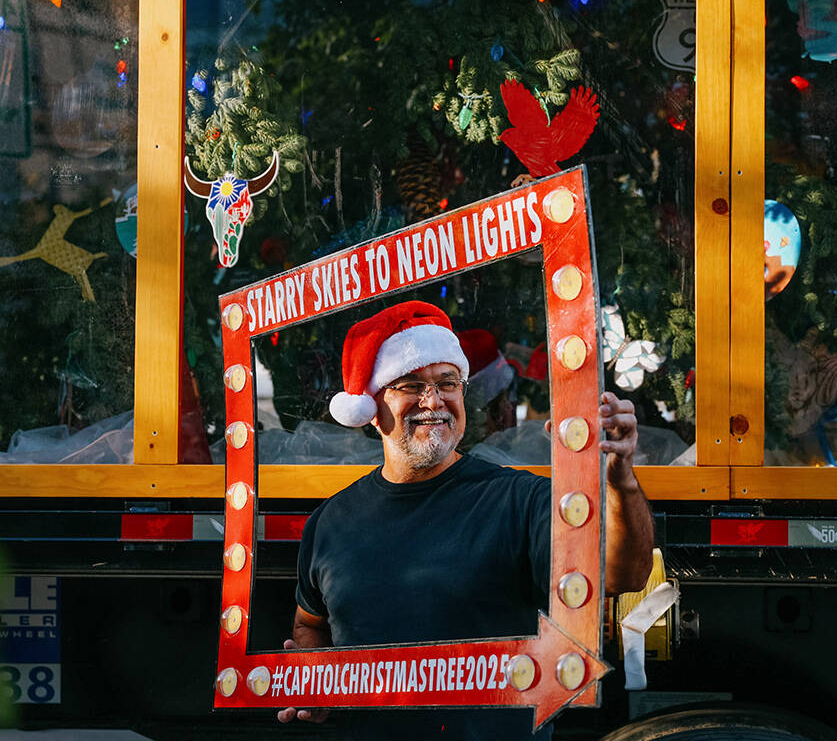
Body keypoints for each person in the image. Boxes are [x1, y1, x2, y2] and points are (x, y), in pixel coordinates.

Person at [277, 300, 654, 739]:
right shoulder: (330, 521)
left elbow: (622, 575)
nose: (433, 401)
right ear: (372, 406)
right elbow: (310, 624)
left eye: (447, 382)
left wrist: (620, 479)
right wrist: (315, 680)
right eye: (411, 384)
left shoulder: (519, 500)